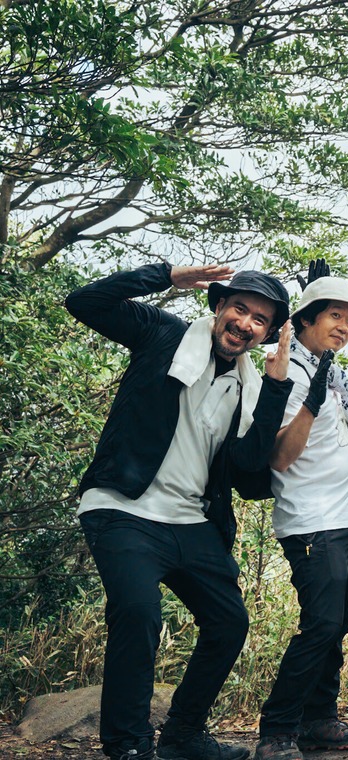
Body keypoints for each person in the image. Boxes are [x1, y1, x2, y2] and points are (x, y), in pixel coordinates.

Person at [66, 263, 294, 760]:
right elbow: (84, 302)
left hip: (190, 522)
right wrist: (166, 275)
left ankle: (183, 734)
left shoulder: (250, 386)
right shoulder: (162, 335)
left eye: (259, 319)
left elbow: (252, 473)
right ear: (218, 307)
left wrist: (277, 389)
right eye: (238, 308)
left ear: (268, 332)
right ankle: (128, 746)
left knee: (229, 621)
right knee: (139, 611)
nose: (245, 323)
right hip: (122, 507)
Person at [254, 266, 348, 760]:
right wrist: (309, 398)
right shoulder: (285, 369)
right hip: (310, 521)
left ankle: (320, 718)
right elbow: (279, 456)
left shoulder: (335, 372)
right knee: (321, 624)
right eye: (334, 315)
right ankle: (278, 729)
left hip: (347, 518)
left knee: (336, 625)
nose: (344, 327)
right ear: (305, 319)